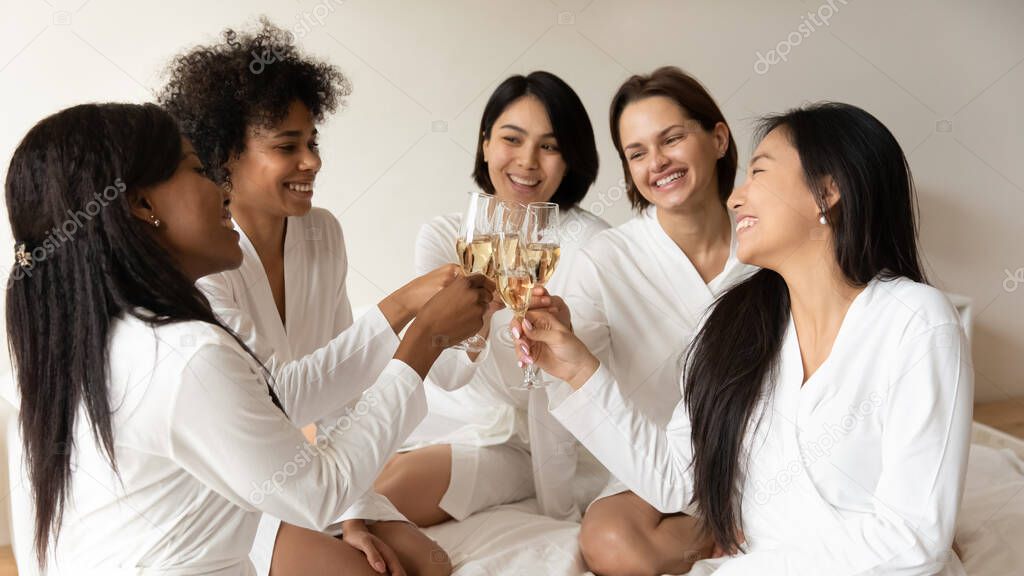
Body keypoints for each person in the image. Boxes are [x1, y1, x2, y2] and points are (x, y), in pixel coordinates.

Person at [6, 102, 491, 574]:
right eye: (198, 170)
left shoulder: (112, 332)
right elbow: (318, 488)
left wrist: (408, 311)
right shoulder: (185, 353)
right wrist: (423, 338)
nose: (221, 188)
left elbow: (286, 404)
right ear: (143, 204)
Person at [518, 102, 973, 575]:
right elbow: (677, 480)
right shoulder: (733, 326)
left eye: (759, 172)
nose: (736, 198)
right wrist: (576, 369)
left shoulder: (915, 321)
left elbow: (914, 541)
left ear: (827, 191)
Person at [160, 21, 458, 575]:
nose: (312, 162)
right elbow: (276, 401)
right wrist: (406, 310)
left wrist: (353, 512)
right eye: (287, 147)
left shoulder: (322, 234)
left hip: (317, 473)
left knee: (428, 563)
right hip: (236, 485)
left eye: (312, 142)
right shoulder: (205, 266)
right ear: (226, 156)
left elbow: (346, 392)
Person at [374, 71, 609, 527]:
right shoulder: (447, 236)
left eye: (550, 145)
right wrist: (480, 318)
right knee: (349, 475)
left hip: (541, 440)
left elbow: (559, 391)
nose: (527, 161)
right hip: (452, 408)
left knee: (386, 496)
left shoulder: (591, 246)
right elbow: (444, 374)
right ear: (485, 145)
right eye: (512, 139)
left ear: (570, 159)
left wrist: (557, 514)